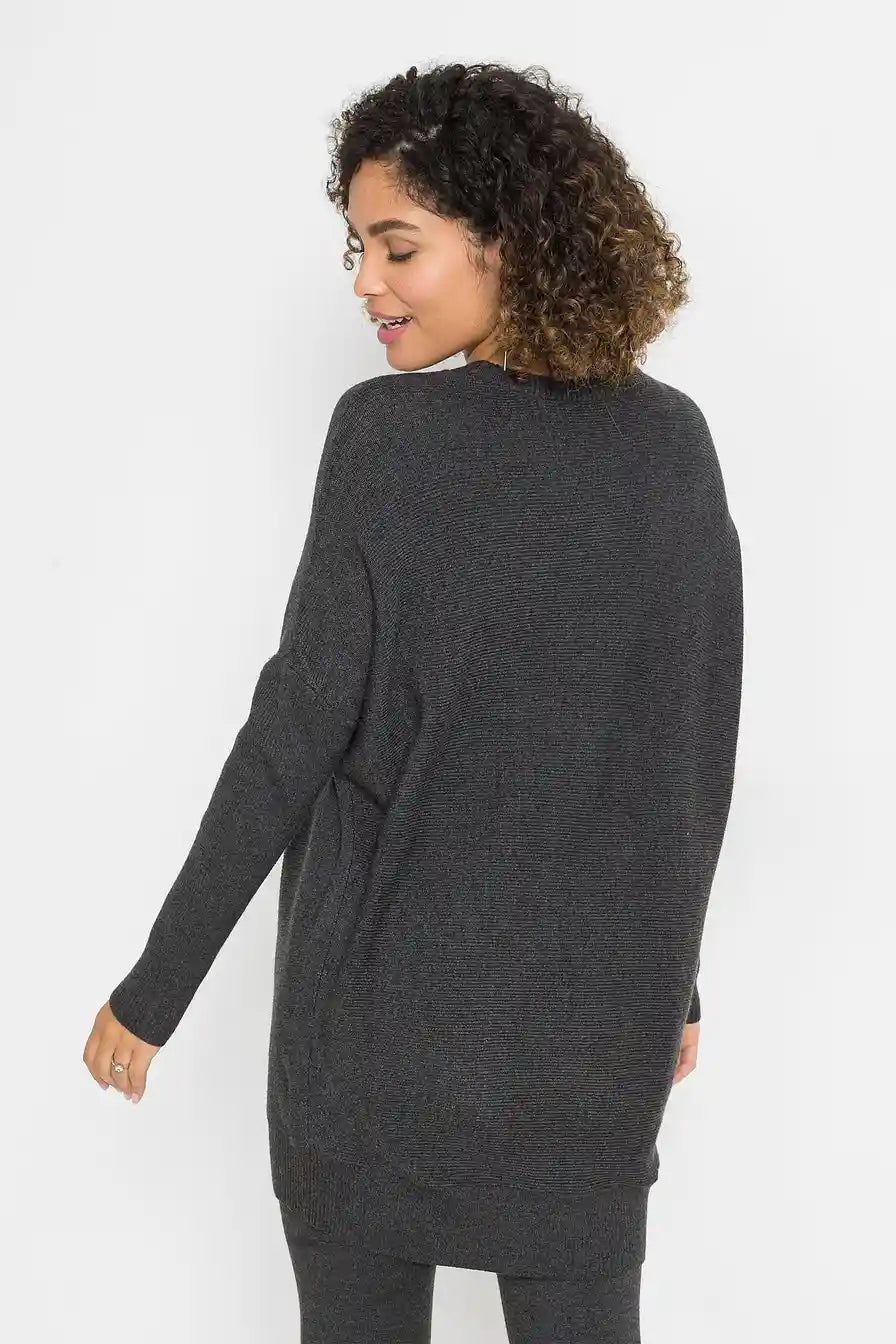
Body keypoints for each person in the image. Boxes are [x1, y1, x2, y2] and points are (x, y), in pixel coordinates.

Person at [83, 61, 743, 1343]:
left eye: (398, 247)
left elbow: (292, 733)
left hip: (371, 1041)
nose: (364, 285)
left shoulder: (386, 437)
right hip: (584, 1045)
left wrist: (153, 989)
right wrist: (674, 983)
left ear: (511, 241)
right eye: (358, 250)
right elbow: (684, 748)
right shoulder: (674, 445)